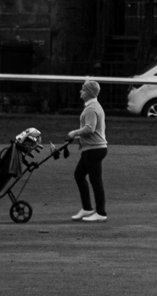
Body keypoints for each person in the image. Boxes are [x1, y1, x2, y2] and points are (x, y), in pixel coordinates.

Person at [68, 79, 108, 222]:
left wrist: (74, 133)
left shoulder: (91, 108)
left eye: (83, 89)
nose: (81, 91)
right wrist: (81, 140)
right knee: (79, 175)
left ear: (89, 92)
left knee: (95, 180)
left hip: (94, 149)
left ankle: (101, 213)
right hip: (91, 148)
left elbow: (90, 129)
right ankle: (87, 208)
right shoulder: (93, 106)